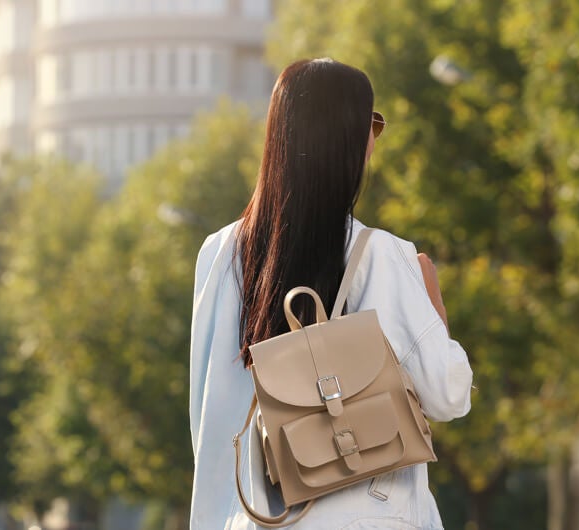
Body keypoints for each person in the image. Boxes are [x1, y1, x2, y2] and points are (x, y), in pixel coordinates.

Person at [189, 58, 474, 529]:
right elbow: (447, 396)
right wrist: (434, 310)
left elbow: (209, 415)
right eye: (372, 126)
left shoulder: (219, 254)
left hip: (256, 517)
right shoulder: (382, 256)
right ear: (349, 142)